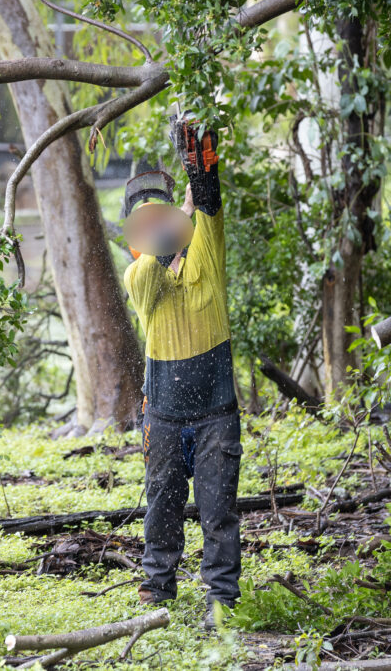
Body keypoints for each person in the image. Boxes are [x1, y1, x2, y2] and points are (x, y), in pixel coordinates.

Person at [122, 120, 240, 629]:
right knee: (162, 508)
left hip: (216, 410)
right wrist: (180, 210)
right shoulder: (139, 274)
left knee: (218, 510)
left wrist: (201, 179)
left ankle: (222, 598)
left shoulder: (206, 255)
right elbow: (154, 262)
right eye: (146, 223)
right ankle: (157, 588)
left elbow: (210, 212)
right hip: (165, 414)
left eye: (162, 217)